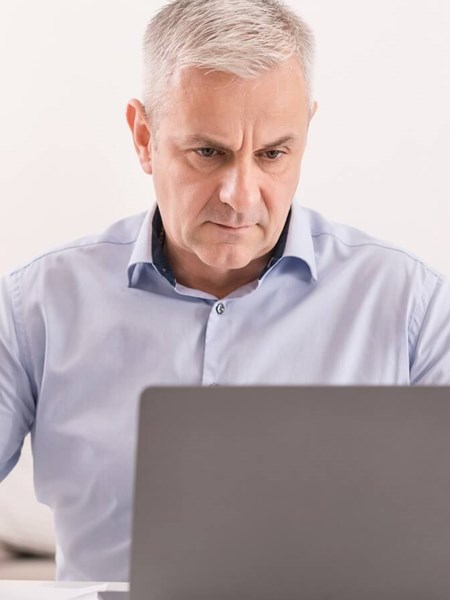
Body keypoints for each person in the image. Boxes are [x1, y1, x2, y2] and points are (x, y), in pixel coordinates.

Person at [1, 0, 450, 583]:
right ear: (144, 136)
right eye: (208, 152)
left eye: (273, 154)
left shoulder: (412, 305)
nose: (241, 195)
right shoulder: (35, 306)